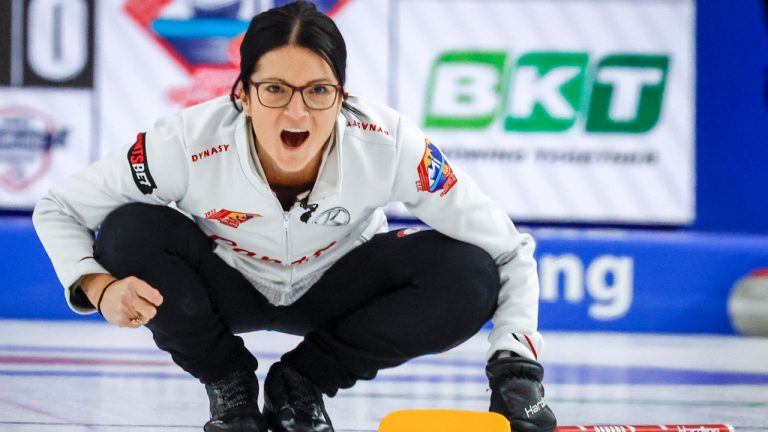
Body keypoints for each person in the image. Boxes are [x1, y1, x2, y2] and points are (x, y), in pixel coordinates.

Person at [32, 2, 557, 432]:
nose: (297, 113)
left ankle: (301, 385)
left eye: (319, 91)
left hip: (338, 291)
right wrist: (98, 286)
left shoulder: (391, 145)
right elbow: (58, 207)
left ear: (343, 97)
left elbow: (508, 248)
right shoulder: (184, 143)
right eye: (275, 89)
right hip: (223, 286)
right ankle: (230, 391)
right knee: (130, 230)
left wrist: (516, 369)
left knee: (467, 273)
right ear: (241, 94)